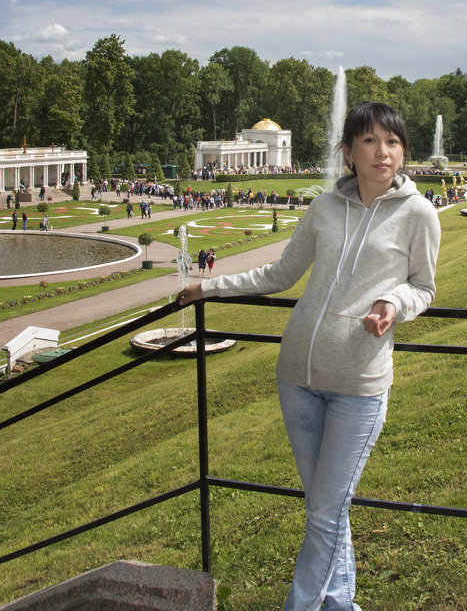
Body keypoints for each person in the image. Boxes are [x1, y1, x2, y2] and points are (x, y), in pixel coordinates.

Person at [176, 102, 440, 611]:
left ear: (403, 150)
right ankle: (340, 604)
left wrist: (393, 303)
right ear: (348, 151)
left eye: (392, 141)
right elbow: (277, 274)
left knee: (324, 510)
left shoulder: (418, 213)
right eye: (369, 141)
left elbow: (424, 288)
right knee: (326, 508)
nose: (382, 152)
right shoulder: (323, 208)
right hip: (296, 376)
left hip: (358, 383)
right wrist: (209, 287)